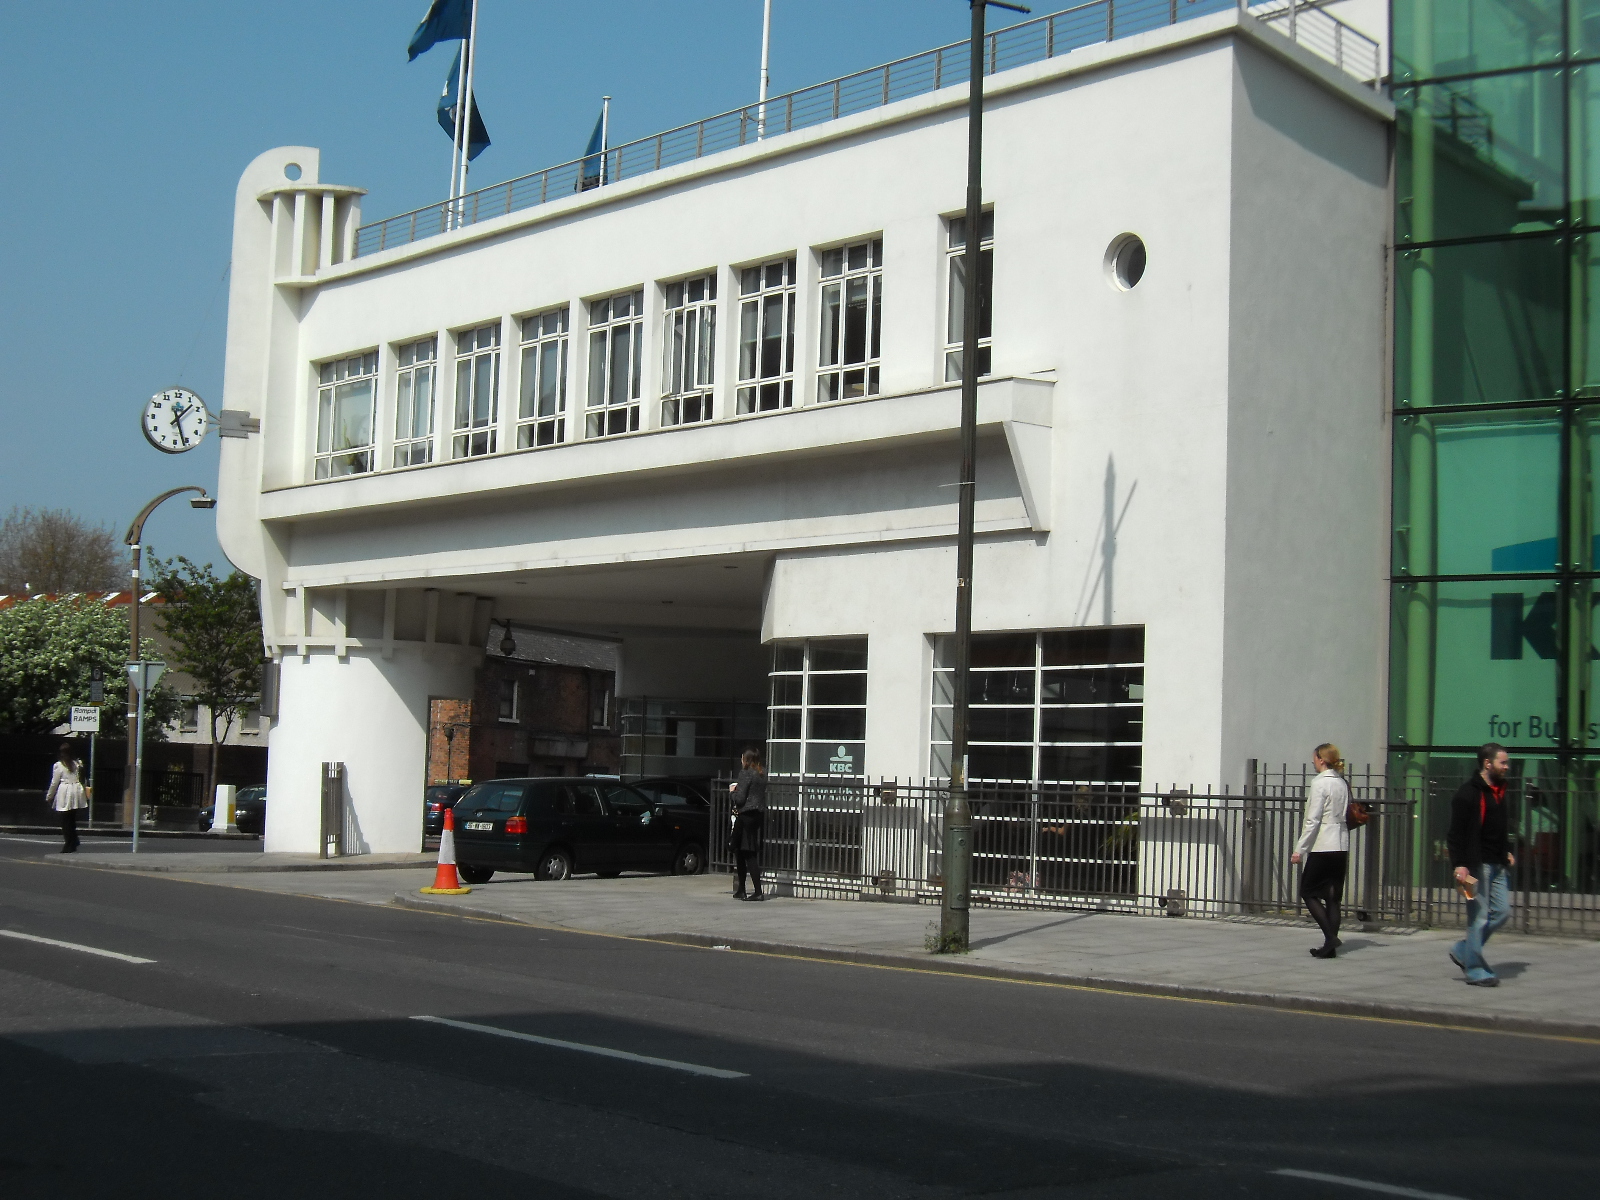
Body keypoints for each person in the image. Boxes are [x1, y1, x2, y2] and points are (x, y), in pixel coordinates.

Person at [1447, 743, 1516, 987]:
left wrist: (1506, 850)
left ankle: (1463, 950)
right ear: (1488, 763)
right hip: (1475, 867)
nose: (1507, 767)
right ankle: (1474, 969)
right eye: (1503, 762)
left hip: (1496, 864)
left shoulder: (1499, 790)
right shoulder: (1467, 794)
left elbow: (1498, 827)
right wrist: (1460, 865)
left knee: (1502, 912)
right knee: (1478, 919)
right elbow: (1455, 834)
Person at [1290, 742, 1350, 958]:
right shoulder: (1342, 783)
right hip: (1341, 844)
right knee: (1333, 898)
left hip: (1324, 845)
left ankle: (1330, 937)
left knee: (1307, 891)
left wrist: (1300, 849)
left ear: (1321, 759)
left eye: (1315, 758)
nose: (1313, 761)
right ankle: (1329, 948)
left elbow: (1313, 820)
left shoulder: (1320, 783)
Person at [728, 748, 768, 901]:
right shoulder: (762, 773)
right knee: (742, 850)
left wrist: (732, 792)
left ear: (746, 759)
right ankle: (742, 889)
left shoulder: (746, 773)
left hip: (745, 815)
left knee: (747, 852)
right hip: (757, 815)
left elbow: (740, 799)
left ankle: (755, 891)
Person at [45, 741, 89, 854]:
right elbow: (83, 780)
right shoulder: (78, 763)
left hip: (65, 792)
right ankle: (73, 841)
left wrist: (49, 796)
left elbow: (54, 783)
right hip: (76, 791)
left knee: (65, 821)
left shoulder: (59, 765)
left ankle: (69, 843)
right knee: (72, 819)